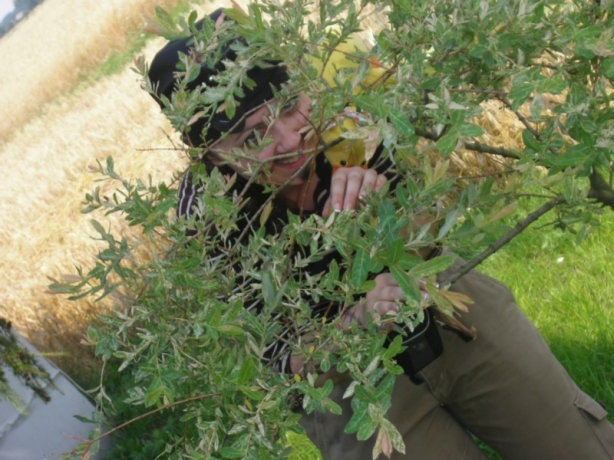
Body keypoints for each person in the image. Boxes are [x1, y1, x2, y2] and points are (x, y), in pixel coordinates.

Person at [147, 8, 614, 459]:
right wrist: (357, 322)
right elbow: (276, 359)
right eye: (253, 138)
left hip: (446, 305)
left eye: (289, 106)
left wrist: (388, 208)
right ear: (211, 155)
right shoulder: (205, 223)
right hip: (354, 389)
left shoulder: (345, 114)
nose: (289, 140)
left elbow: (434, 221)